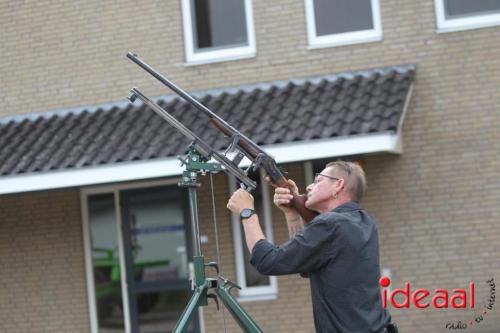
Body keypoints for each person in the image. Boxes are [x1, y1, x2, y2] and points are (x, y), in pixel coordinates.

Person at [227, 161, 394, 333]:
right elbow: (305, 265)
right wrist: (292, 213)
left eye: (318, 180)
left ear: (338, 185)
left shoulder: (330, 225)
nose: (308, 187)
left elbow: (268, 261)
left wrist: (247, 212)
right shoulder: (364, 221)